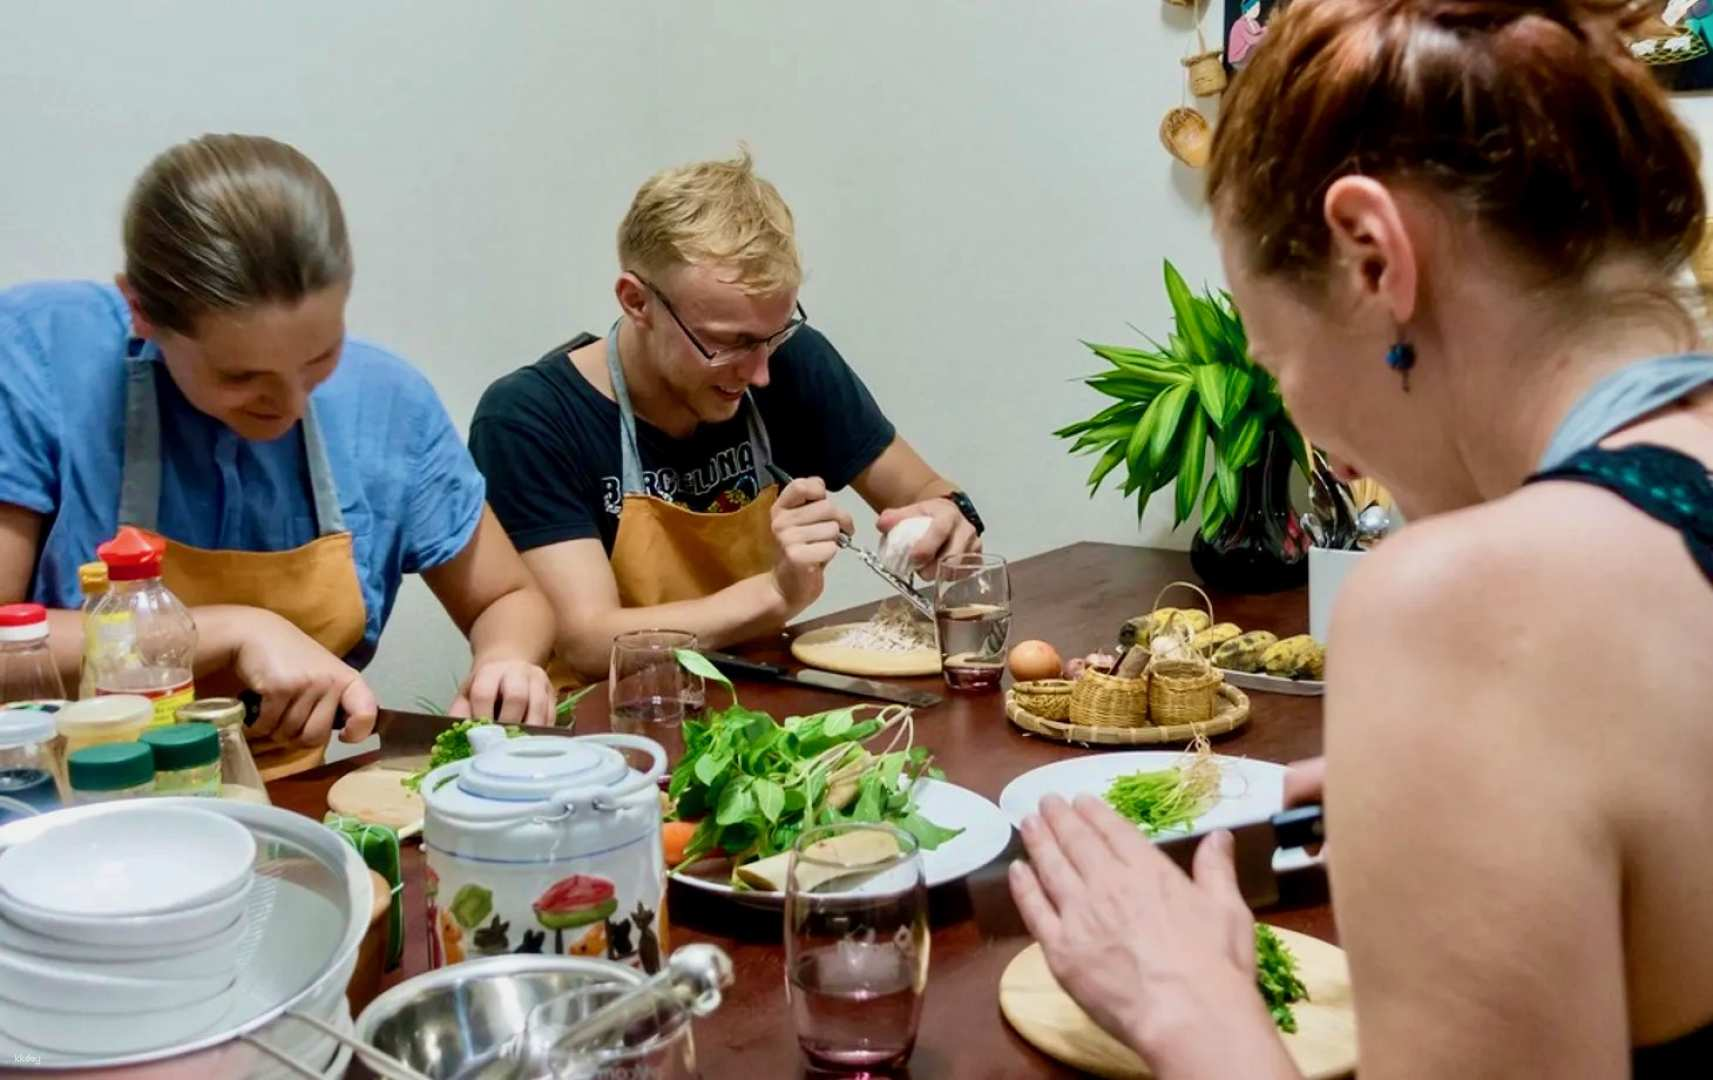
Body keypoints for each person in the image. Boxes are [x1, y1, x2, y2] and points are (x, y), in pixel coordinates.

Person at [1010, 0, 1713, 1075]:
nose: (1311, 428)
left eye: (1277, 358)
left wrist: (1189, 1003)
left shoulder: (1464, 608)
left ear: (1373, 257)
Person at [0, 134, 557, 777]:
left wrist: (506, 661)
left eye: (320, 358)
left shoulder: (386, 402)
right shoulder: (40, 358)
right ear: (141, 312)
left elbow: (508, 597)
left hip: (287, 800)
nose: (288, 403)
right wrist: (237, 629)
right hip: (69, 801)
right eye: (240, 376)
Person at [470, 152, 984, 679]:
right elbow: (587, 640)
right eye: (725, 343)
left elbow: (925, 488)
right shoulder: (529, 419)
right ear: (636, 301)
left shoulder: (791, 362)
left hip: (758, 701)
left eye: (774, 334)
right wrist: (775, 592)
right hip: (609, 729)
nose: (759, 373)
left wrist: (946, 517)